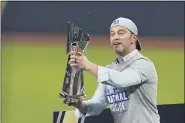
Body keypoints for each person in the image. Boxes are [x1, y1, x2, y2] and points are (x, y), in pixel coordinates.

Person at [64, 17, 160, 123]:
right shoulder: (110, 69)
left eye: (121, 33)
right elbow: (97, 105)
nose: (116, 37)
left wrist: (88, 65)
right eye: (112, 34)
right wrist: (79, 104)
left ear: (134, 38)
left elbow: (122, 80)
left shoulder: (143, 64)